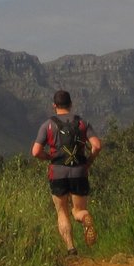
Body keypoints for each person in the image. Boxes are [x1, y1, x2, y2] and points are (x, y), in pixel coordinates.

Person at [31, 90, 103, 253]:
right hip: (79, 172)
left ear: (54, 106)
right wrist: (88, 162)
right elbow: (97, 145)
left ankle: (71, 248)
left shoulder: (47, 125)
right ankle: (85, 218)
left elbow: (35, 152)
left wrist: (49, 157)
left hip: (57, 173)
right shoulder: (82, 123)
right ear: (71, 104)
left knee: (62, 211)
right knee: (78, 210)